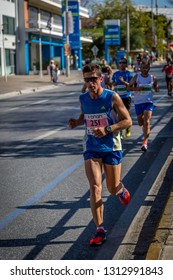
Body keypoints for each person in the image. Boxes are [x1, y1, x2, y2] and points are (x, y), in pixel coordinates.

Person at [68, 64, 132, 246]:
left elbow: (127, 121)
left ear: (100, 78)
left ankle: (121, 190)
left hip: (111, 147)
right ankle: (100, 230)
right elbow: (85, 117)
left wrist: (107, 129)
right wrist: (76, 122)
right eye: (87, 80)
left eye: (93, 79)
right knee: (95, 187)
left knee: (111, 188)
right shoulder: (83, 98)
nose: (90, 83)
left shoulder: (112, 97)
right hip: (91, 147)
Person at [128, 59, 159, 152]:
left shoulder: (152, 77)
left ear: (149, 68)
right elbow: (128, 87)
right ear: (140, 68)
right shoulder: (136, 77)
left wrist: (156, 87)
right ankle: (144, 129)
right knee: (140, 122)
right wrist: (137, 88)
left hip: (148, 102)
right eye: (143, 68)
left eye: (146, 68)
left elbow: (156, 88)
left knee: (147, 121)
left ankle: (145, 142)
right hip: (138, 102)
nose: (144, 69)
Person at [111, 57, 133, 138]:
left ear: (126, 64)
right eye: (120, 62)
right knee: (118, 114)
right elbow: (112, 83)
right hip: (118, 97)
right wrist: (113, 85)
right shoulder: (115, 74)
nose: (121, 64)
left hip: (126, 96)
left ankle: (128, 128)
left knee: (126, 112)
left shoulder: (129, 74)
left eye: (123, 62)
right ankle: (119, 131)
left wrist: (123, 81)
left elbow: (131, 85)